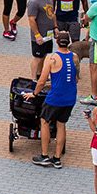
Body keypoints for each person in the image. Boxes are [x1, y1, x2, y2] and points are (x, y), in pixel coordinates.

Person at [25, 30, 78, 167]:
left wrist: (34, 94)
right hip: (70, 97)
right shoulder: (75, 57)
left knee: (44, 122)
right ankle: (57, 158)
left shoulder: (51, 58)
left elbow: (41, 81)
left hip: (56, 98)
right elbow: (75, 78)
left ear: (56, 41)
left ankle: (44, 155)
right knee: (61, 125)